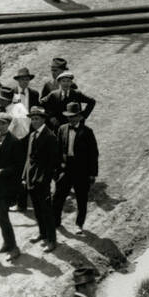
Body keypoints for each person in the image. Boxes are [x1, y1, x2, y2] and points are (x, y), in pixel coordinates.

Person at [52, 103, 99, 233]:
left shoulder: (87, 132)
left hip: (82, 170)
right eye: (69, 117)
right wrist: (57, 169)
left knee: (81, 199)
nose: (71, 119)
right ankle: (55, 221)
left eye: (74, 116)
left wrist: (92, 174)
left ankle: (79, 224)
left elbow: (93, 154)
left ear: (79, 117)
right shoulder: (62, 129)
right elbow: (57, 149)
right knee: (58, 197)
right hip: (65, 168)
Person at [0, 112, 23, 260]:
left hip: (7, 185)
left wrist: (1, 171)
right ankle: (6, 243)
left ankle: (14, 247)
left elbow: (18, 166)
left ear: (9, 125)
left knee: (2, 215)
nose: (0, 126)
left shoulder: (14, 142)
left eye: (3, 123)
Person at [23, 105, 60, 251]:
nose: (34, 121)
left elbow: (53, 162)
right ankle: (42, 233)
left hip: (42, 180)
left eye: (37, 119)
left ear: (43, 120)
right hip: (31, 179)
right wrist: (25, 176)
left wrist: (44, 179)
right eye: (32, 119)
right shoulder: (32, 135)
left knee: (46, 211)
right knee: (37, 210)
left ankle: (51, 240)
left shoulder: (50, 136)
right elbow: (28, 158)